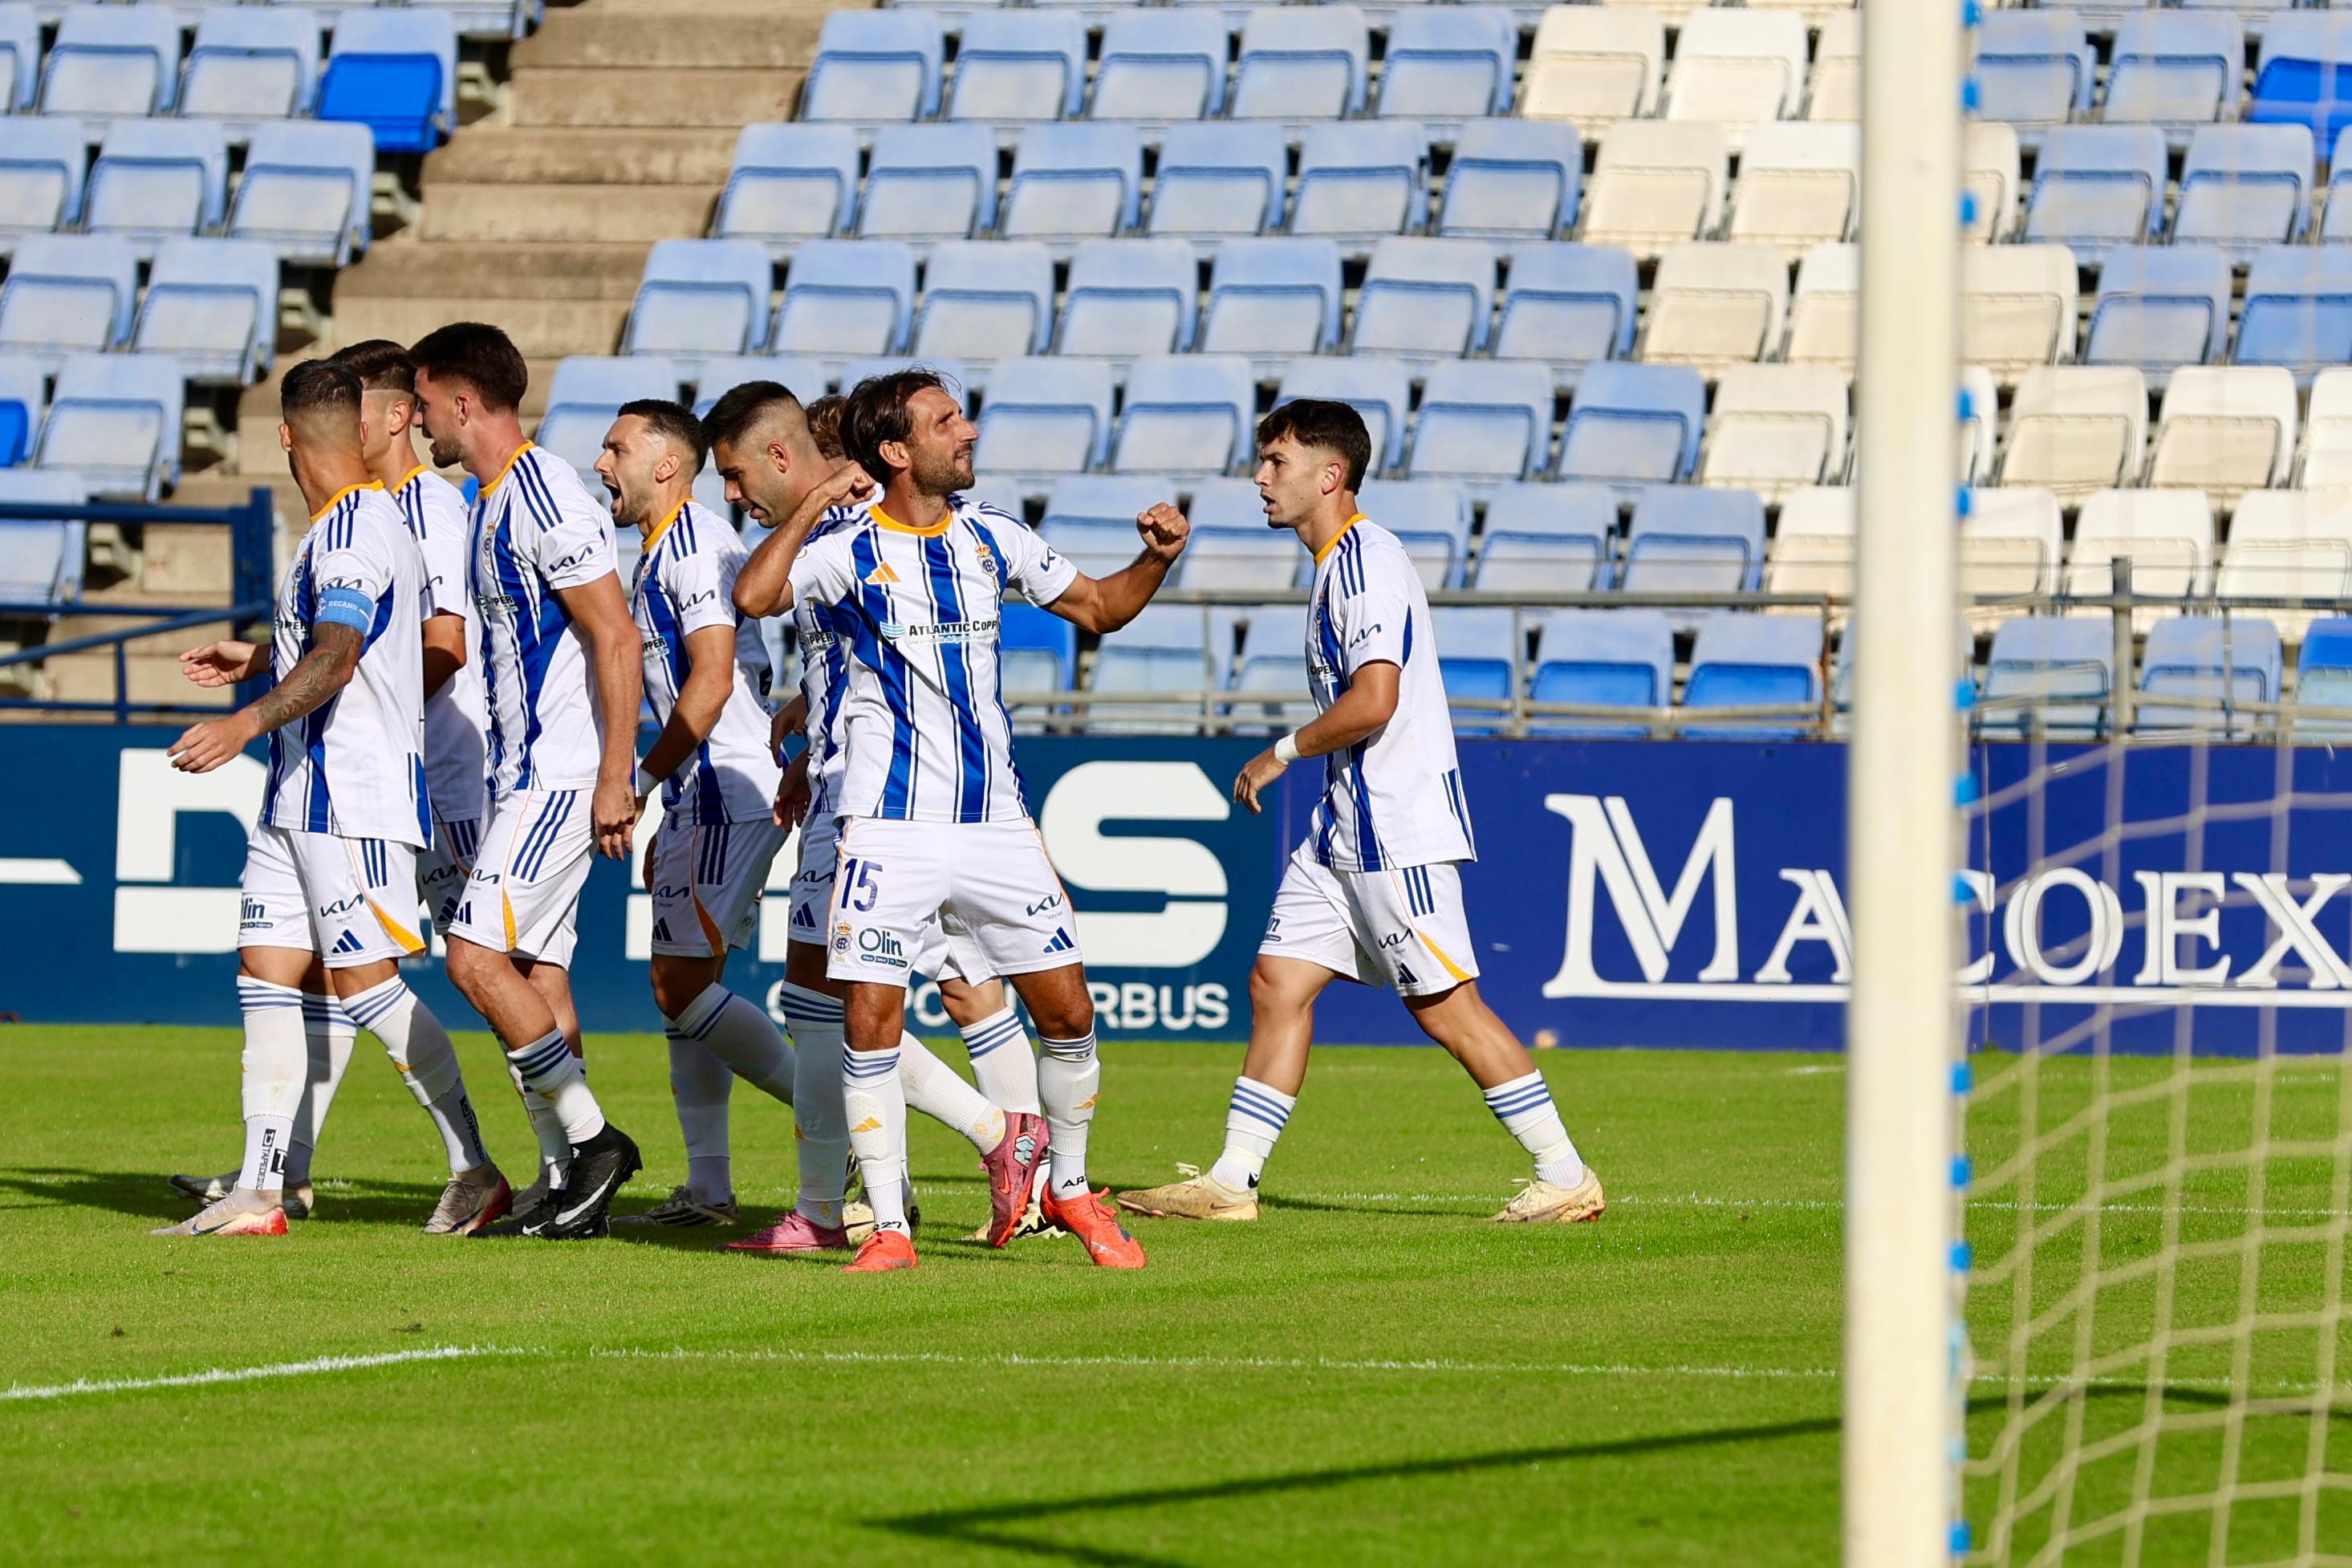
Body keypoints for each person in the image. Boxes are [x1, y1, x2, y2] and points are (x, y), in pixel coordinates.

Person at [734, 367, 1188, 1273]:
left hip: (995, 824)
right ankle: (892, 1229)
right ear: (897, 450)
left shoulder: (993, 539)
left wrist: (1157, 560)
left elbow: (1099, 606)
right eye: (947, 421)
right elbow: (754, 597)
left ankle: (1066, 1184)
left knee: (1068, 1011)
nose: (968, 431)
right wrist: (820, 495)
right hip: (885, 826)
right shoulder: (847, 550)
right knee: (865, 1015)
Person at [1117, 401, 1606, 1227]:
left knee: (1446, 1009)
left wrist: (1283, 751)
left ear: (1329, 474)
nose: (1261, 478)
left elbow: (1375, 699)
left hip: (1394, 828)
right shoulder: (1335, 564)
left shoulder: (1365, 563)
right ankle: (1233, 1180)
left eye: (1277, 461)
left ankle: (1565, 1172)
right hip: (1344, 826)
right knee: (1276, 983)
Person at [152, 360, 495, 1237]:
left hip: (354, 798)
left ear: (284, 437)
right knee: (266, 972)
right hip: (296, 793)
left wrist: (243, 720)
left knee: (364, 985)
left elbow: (340, 658)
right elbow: (337, 644)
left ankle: (475, 1164)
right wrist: (260, 656)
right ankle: (262, 1188)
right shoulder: (340, 526)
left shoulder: (350, 534)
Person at [706, 380, 1047, 1255]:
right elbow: (851, 655)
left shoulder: (846, 520)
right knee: (853, 997)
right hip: (850, 789)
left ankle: (1000, 1147)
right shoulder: (832, 527)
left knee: (879, 996)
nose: (736, 501)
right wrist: (803, 725)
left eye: (740, 481)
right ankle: (830, 1205)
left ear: (794, 459)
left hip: (892, 804)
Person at [409, 321, 645, 1240]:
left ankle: (594, 1141)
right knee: (538, 974)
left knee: (470, 957)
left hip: (562, 772)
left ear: (464, 403)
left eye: (428, 404)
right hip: (527, 774)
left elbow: (614, 634)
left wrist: (614, 774)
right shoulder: (490, 500)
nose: (425, 421)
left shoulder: (546, 497)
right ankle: (564, 1178)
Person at [587, 397, 805, 1225]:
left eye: (616, 450)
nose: (602, 464)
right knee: (684, 988)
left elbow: (712, 679)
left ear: (666, 464)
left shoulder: (697, 547)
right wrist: (668, 804)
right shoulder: (659, 552)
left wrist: (642, 780)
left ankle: (834, 1129)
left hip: (725, 789)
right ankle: (710, 1189)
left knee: (678, 986)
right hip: (697, 796)